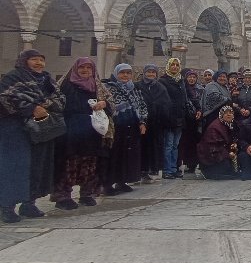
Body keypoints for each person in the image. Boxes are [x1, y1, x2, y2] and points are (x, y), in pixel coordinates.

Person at [0, 50, 66, 223]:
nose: (39, 63)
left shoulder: (48, 79)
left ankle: (29, 204)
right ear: (24, 61)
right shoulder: (13, 77)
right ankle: (7, 207)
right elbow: (5, 98)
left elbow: (60, 100)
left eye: (41, 59)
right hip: (16, 130)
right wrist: (30, 108)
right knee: (16, 168)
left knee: (38, 166)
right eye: (34, 59)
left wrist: (43, 105)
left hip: (42, 128)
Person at [52, 57, 111, 210]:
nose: (85, 71)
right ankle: (63, 196)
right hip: (70, 130)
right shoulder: (66, 86)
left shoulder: (97, 86)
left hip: (91, 130)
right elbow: (55, 104)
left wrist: (104, 104)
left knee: (90, 162)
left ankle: (86, 193)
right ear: (75, 69)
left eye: (88, 68)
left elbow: (112, 104)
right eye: (82, 68)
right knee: (69, 162)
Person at [103, 63, 148, 195]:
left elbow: (141, 106)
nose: (125, 75)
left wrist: (142, 122)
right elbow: (109, 106)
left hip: (132, 127)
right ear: (116, 74)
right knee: (114, 155)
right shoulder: (109, 88)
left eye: (128, 73)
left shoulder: (134, 89)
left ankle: (122, 181)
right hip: (116, 127)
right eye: (122, 73)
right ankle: (107, 184)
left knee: (127, 156)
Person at [159, 58, 194, 179]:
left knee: (175, 144)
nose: (174, 67)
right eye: (172, 65)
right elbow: (163, 100)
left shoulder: (181, 80)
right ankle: (167, 169)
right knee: (168, 144)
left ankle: (174, 168)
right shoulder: (163, 81)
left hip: (180, 117)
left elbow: (185, 98)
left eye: (176, 65)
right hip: (169, 118)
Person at [136, 64, 170, 180]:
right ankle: (140, 170)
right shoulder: (137, 86)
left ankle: (151, 169)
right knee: (142, 147)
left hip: (156, 123)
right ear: (144, 73)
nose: (151, 74)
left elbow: (166, 103)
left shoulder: (160, 87)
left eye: (153, 72)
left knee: (154, 147)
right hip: (141, 123)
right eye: (148, 72)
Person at [197, 105, 248, 180]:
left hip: (222, 154)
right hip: (210, 160)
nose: (228, 114)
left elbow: (234, 139)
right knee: (226, 166)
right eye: (226, 113)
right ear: (221, 115)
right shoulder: (215, 128)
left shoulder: (231, 125)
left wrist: (234, 145)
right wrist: (228, 154)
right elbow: (213, 148)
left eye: (231, 113)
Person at [179, 69, 203, 175]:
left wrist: (200, 111)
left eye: (193, 77)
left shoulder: (201, 89)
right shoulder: (182, 89)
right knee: (185, 143)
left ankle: (193, 164)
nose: (192, 79)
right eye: (189, 77)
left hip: (197, 120)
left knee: (195, 143)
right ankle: (186, 163)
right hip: (186, 120)